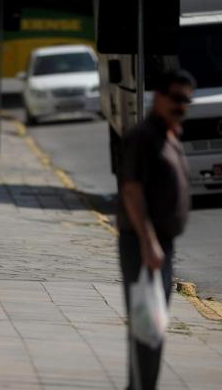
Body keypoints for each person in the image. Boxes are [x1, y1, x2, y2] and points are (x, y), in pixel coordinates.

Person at [118, 69, 196, 389]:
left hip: (160, 244)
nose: (182, 106)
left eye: (186, 101)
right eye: (176, 98)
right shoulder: (144, 136)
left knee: (154, 329)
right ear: (158, 96)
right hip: (143, 244)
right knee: (145, 329)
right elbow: (131, 190)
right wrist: (149, 242)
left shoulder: (168, 133)